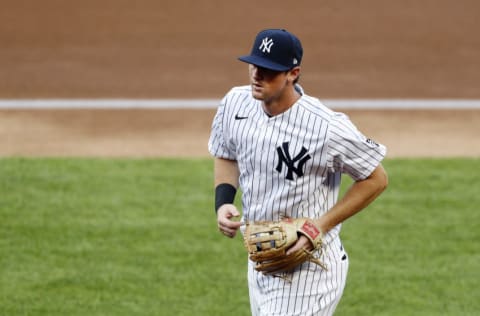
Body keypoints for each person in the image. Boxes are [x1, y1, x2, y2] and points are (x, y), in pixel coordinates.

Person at [208, 28, 388, 316]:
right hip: (262, 262)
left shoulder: (326, 127)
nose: (257, 75)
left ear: (293, 73)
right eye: (254, 65)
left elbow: (376, 178)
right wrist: (223, 200)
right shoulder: (235, 103)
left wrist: (320, 226)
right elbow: (226, 153)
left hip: (310, 269)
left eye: (269, 70)